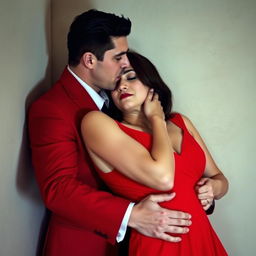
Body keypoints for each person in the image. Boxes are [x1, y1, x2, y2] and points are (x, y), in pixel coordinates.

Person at [28, 10, 192, 256]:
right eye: (119, 57)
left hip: (136, 244)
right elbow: (58, 190)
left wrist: (208, 188)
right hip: (82, 245)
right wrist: (131, 215)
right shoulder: (51, 108)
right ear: (89, 60)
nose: (126, 63)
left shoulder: (119, 98)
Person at [81, 51, 229, 255]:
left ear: (151, 82)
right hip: (158, 245)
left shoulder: (181, 122)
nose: (122, 86)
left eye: (131, 77)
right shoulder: (102, 125)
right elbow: (164, 179)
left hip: (203, 238)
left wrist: (214, 187)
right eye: (115, 83)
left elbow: (219, 178)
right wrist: (156, 119)